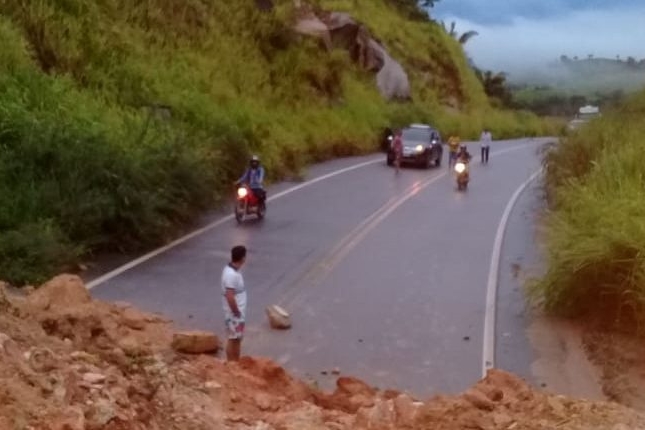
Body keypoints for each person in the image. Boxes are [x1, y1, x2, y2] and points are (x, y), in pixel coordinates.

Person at [221, 245, 248, 361]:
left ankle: (234, 362)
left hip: (236, 312)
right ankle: (233, 363)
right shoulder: (231, 275)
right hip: (234, 313)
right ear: (243, 258)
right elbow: (229, 295)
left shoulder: (232, 271)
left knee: (236, 337)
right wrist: (236, 311)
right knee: (234, 339)